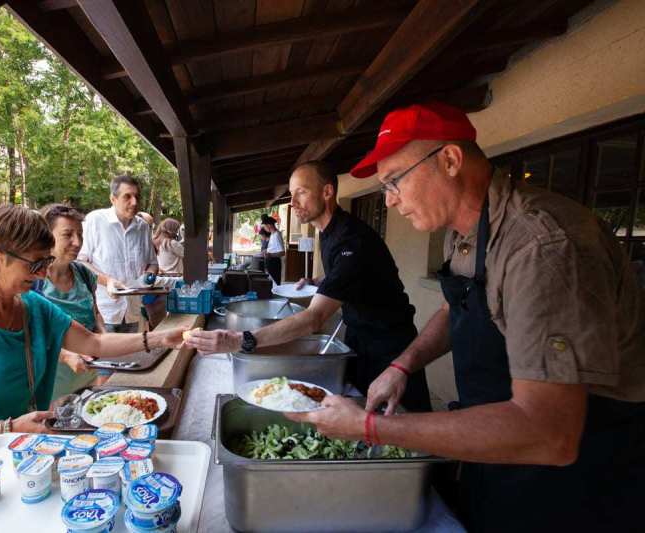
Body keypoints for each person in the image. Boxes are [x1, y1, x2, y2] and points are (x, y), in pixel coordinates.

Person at [287, 102, 645, 533]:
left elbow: (551, 434)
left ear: (450, 160)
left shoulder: (544, 248)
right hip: (498, 441)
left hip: (576, 470)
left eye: (395, 181)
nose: (389, 200)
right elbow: (457, 306)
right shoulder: (462, 234)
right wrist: (404, 363)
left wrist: (370, 426)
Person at [0, 204, 186, 489]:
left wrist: (161, 338)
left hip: (23, 463)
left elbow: (94, 342)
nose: (44, 274)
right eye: (36, 264)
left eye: (46, 262)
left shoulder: (32, 306)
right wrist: (5, 428)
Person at [186, 161, 431, 410]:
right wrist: (317, 282)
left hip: (391, 349)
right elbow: (349, 274)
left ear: (327, 192)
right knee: (364, 419)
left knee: (408, 428)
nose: (293, 202)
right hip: (358, 338)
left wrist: (241, 340)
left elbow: (314, 319)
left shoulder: (353, 239)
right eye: (291, 195)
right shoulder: (328, 232)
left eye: (301, 192)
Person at [35, 204, 104, 399]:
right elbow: (29, 336)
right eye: (68, 234)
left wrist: (104, 337)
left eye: (80, 234)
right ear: (46, 236)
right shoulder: (33, 282)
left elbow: (95, 314)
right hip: (49, 384)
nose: (77, 242)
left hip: (87, 376)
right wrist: (65, 356)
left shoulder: (84, 274)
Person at [79, 175, 158, 333]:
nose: (134, 202)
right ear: (113, 199)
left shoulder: (142, 227)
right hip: (104, 311)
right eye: (127, 196)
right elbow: (80, 262)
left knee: (136, 357)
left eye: (137, 197)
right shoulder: (94, 221)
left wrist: (149, 275)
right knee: (106, 357)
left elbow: (153, 263)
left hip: (134, 310)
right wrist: (107, 280)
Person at [261, 214, 285, 284]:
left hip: (274, 262)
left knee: (275, 283)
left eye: (264, 226)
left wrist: (270, 254)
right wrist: (266, 251)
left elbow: (282, 253)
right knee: (270, 283)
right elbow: (273, 248)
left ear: (269, 225)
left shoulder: (277, 235)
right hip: (270, 261)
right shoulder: (272, 234)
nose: (264, 228)